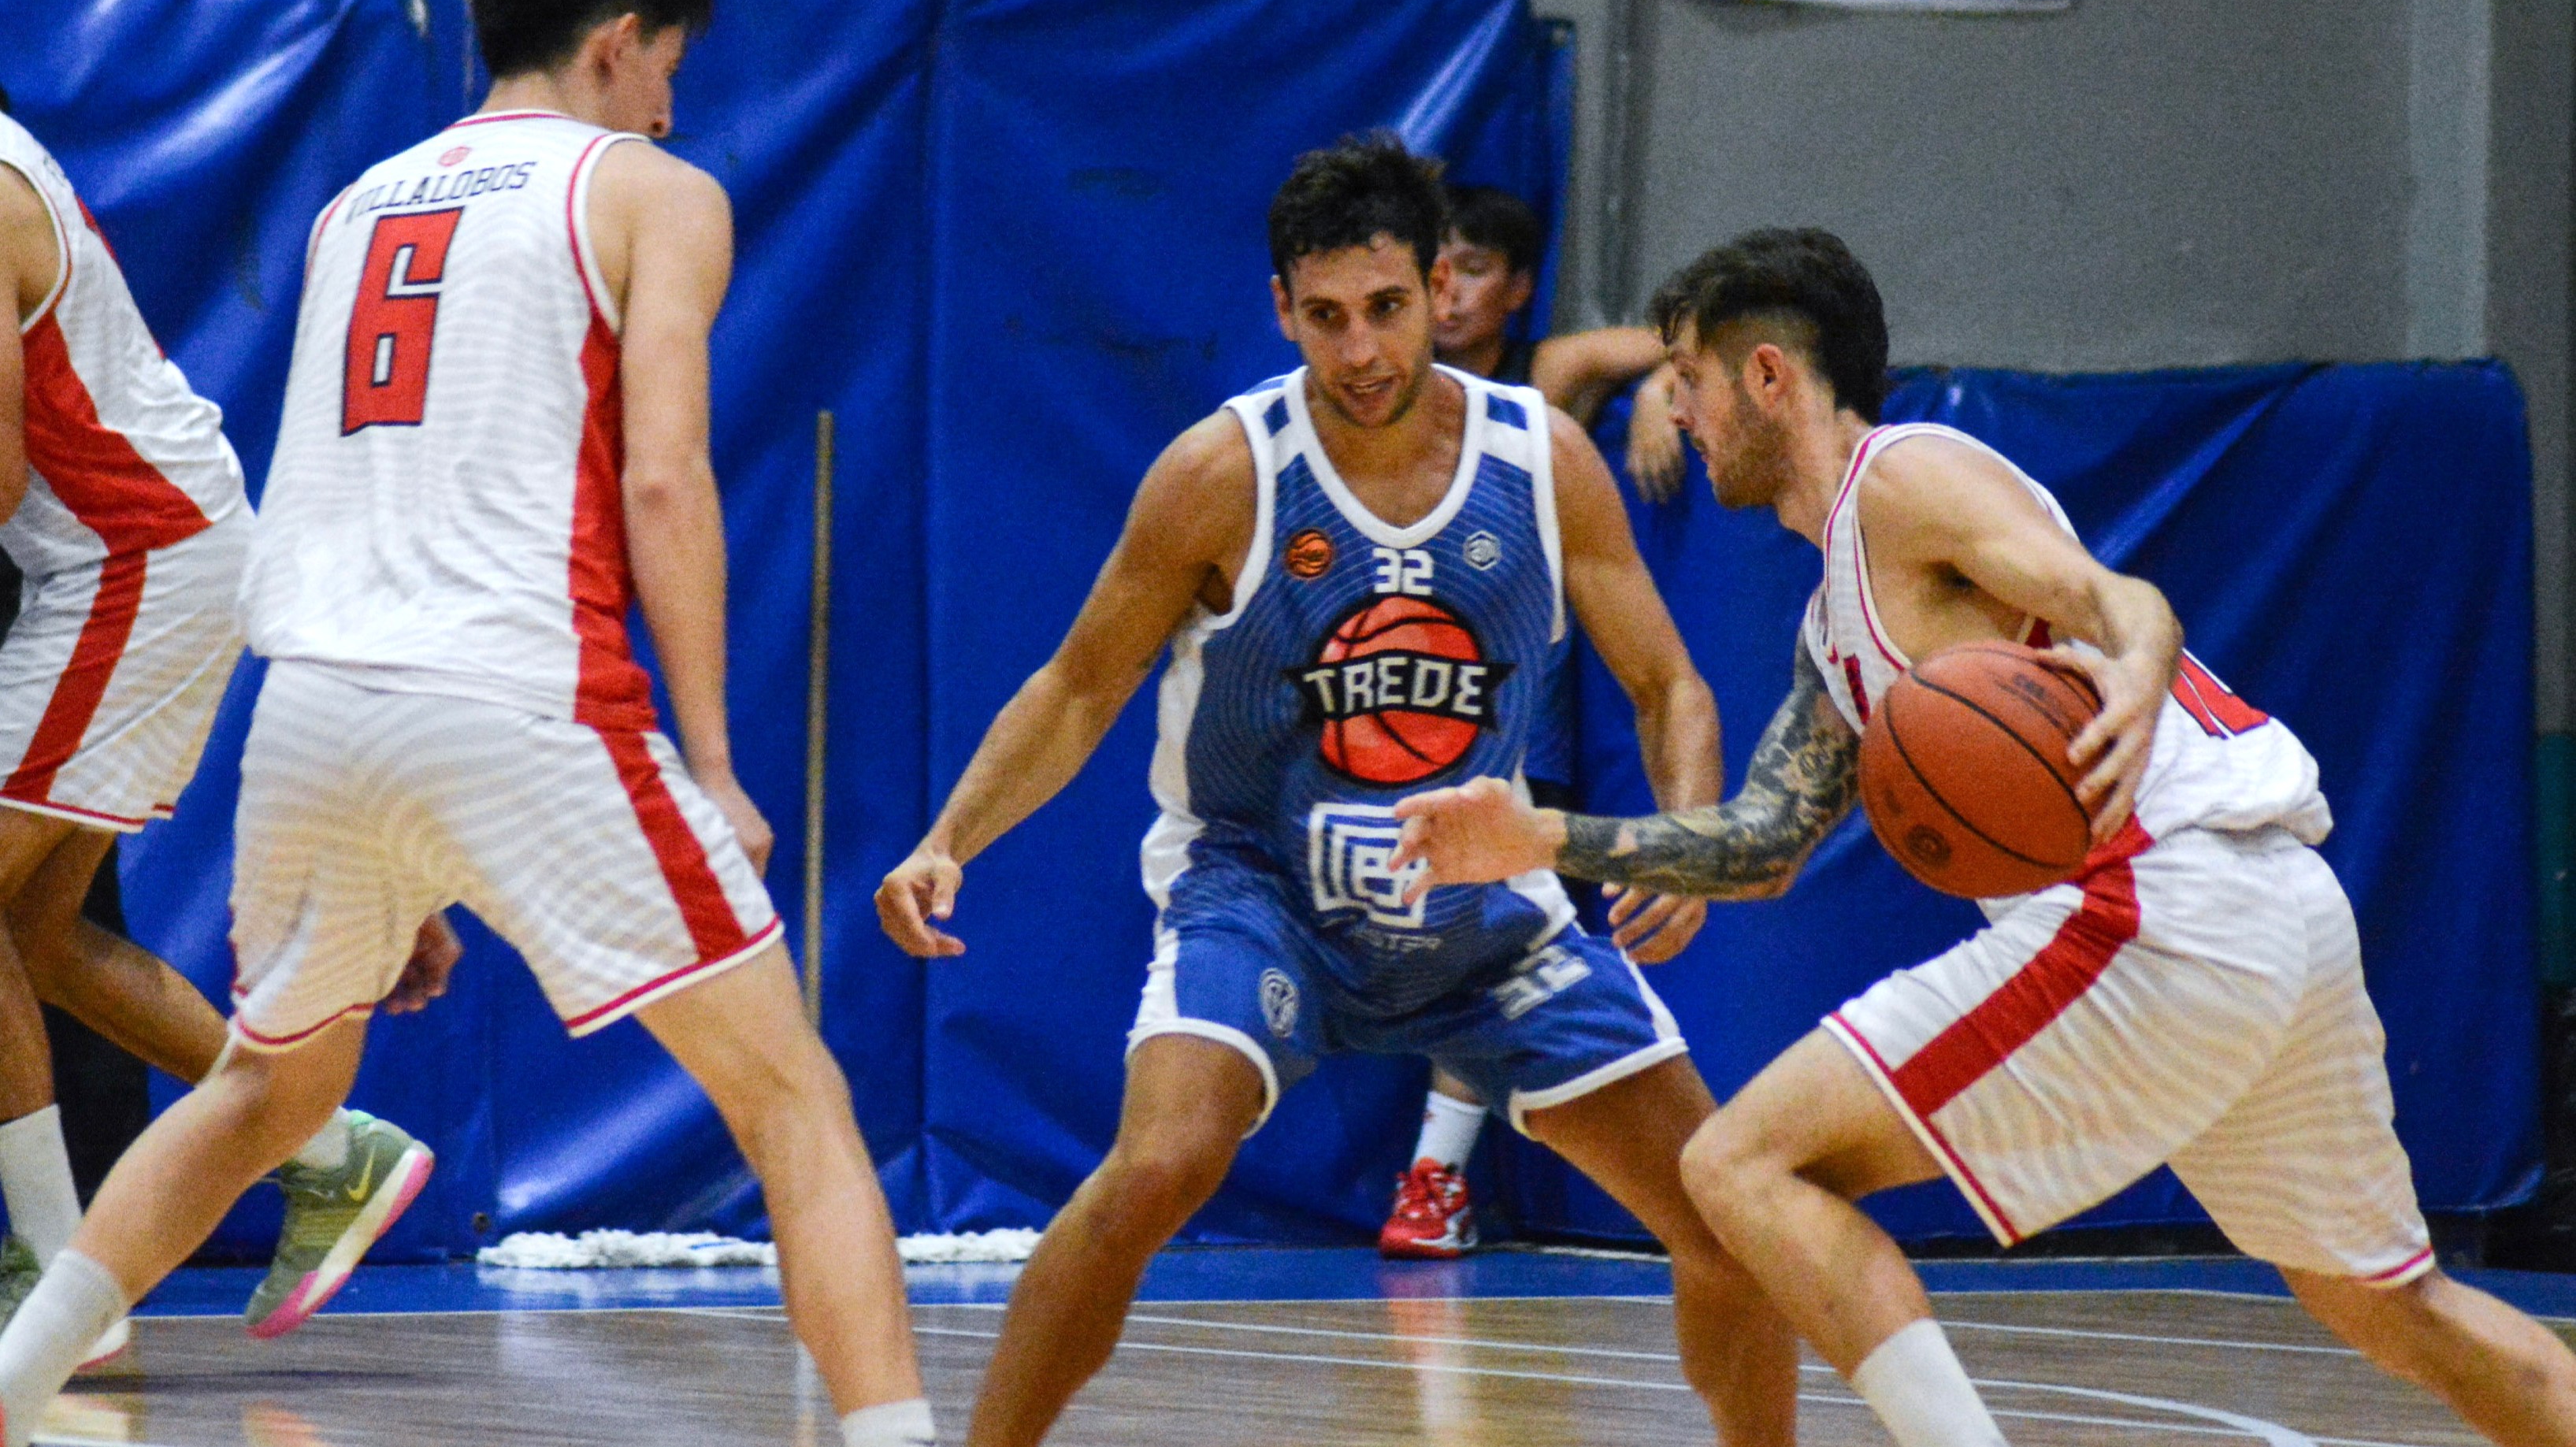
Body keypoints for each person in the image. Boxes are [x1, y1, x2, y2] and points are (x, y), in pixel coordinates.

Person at [0, 0, 934, 1447]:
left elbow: (321, 487)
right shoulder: (651, 188)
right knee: (794, 1101)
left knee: (261, 1098)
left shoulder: (356, 202)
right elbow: (664, 478)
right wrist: (712, 763)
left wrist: (403, 844)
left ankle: (15, 1382)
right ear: (618, 40)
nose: (671, 107)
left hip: (310, 706)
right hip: (521, 693)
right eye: (667, 71)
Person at [1392, 227, 2576, 1447]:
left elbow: (2109, 596)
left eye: (1685, 376)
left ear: (1765, 376)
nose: (1674, 409)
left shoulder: (1904, 480)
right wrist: (1539, 833)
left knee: (1740, 1164)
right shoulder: (1834, 621)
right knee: (2394, 1306)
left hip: (2156, 904)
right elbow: (1762, 839)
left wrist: (2138, 664)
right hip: (2274, 912)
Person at [877, 137, 1795, 1447]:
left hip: (1480, 907)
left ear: (1438, 290)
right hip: (1260, 890)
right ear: (1279, 309)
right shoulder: (1222, 470)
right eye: (1324, 317)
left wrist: (1678, 843)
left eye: (1385, 308)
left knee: (1724, 1210)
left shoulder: (1540, 460)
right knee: (1158, 1166)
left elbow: (1670, 688)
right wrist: (947, 836)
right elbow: (1079, 686)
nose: (1359, 350)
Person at [0, 91, 432, 1360]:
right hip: (137, 554)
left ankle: (58, 1280)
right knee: (37, 929)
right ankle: (329, 1151)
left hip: (132, 560)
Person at [1384, 184, 1703, 1257]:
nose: (1451, 291)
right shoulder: (1362, 404)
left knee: (1489, 950)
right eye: (1435, 270)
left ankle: (1434, 1176)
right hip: (1375, 711)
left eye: (1474, 268)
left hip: (1508, 727)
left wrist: (1666, 382)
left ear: (1517, 286)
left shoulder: (1542, 385)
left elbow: (1692, 331)